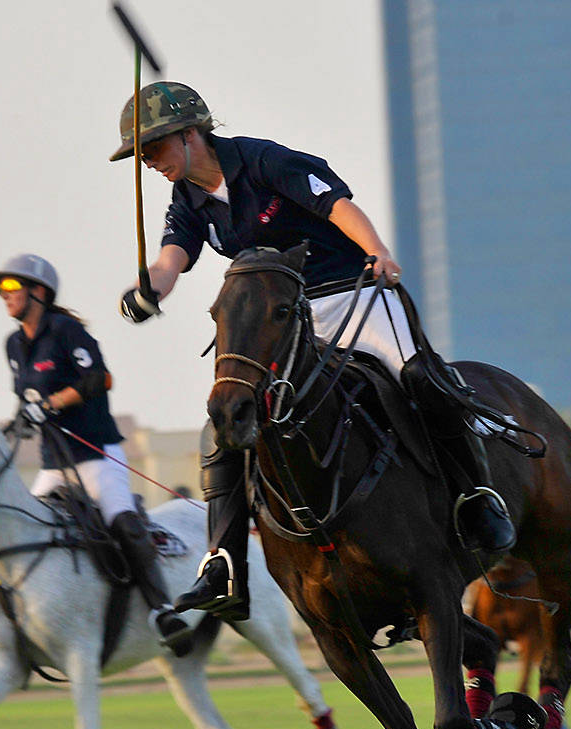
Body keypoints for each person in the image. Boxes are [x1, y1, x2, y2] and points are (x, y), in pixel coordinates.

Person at [108, 82, 515, 620]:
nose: (149, 162)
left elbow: (338, 205)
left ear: (189, 136)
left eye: (153, 148)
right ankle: (224, 559)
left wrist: (378, 251)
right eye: (141, 155)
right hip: (287, 321)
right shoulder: (187, 199)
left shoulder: (263, 161)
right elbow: (171, 259)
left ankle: (477, 497)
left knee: (419, 378)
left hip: (353, 292)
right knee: (229, 421)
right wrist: (145, 292)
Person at [0, 253, 191, 655]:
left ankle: (163, 610)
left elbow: (101, 378)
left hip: (96, 452)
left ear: (39, 292)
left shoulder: (66, 331)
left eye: (12, 288)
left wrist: (50, 404)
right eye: (2, 291)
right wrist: (21, 419)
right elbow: (26, 397)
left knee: (122, 521)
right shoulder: (13, 344)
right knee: (19, 527)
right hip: (54, 464)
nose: (4, 296)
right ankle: (8, 634)